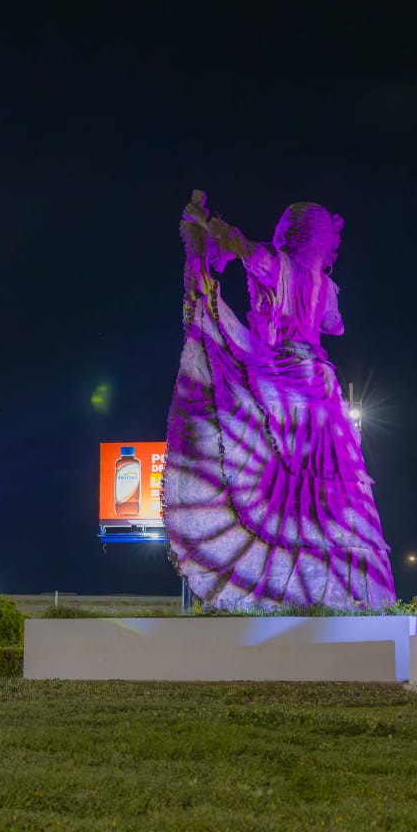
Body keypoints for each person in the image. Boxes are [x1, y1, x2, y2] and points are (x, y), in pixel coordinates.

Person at [163, 191, 394, 609]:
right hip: (320, 388)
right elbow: (335, 325)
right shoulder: (325, 286)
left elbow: (242, 249)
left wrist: (206, 225)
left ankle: (285, 582)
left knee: (276, 468)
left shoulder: (277, 264)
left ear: (289, 233)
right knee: (329, 486)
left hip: (282, 377)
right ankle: (335, 587)